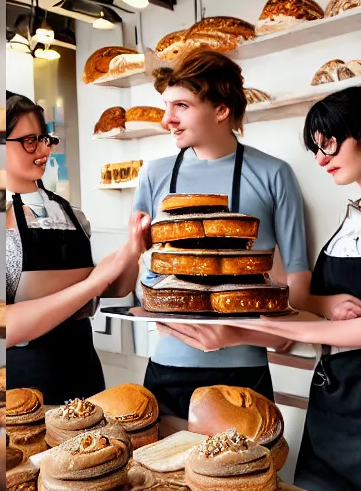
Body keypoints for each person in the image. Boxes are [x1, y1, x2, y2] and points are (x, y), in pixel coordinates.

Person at [220, 70, 361, 491]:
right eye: (316, 148)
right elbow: (316, 306)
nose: (321, 158)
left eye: (329, 144)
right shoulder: (347, 222)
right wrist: (237, 331)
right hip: (330, 395)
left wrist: (299, 325)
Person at [131, 50, 310, 430]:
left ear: (221, 110)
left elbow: (297, 283)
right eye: (166, 106)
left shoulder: (274, 174)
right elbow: (146, 271)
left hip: (243, 369)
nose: (167, 120)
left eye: (181, 105)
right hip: (168, 367)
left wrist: (244, 335)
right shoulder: (154, 175)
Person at [3, 94, 145, 403]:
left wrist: (134, 249)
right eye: (30, 141)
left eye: (44, 138)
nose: (44, 149)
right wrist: (93, 282)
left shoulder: (72, 215)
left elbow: (114, 290)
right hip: (22, 387)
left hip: (83, 374)